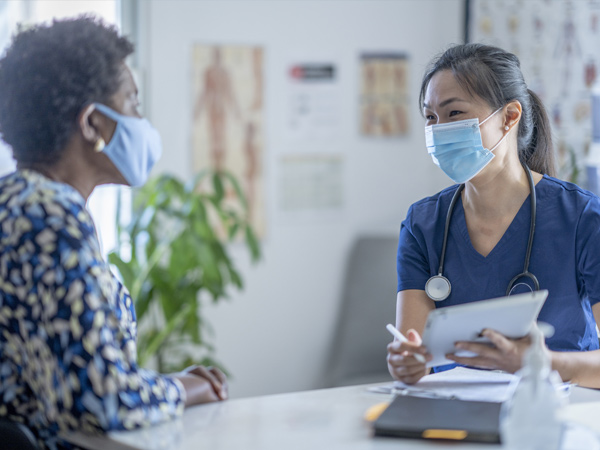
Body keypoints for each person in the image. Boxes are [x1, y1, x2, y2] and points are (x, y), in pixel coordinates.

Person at [0, 16, 227, 449]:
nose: (141, 121)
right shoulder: (52, 217)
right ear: (92, 125)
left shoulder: (15, 201)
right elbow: (103, 402)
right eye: (133, 104)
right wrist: (187, 387)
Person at [387, 43, 600, 388]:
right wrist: (406, 364)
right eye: (430, 117)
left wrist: (541, 362)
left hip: (552, 412)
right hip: (453, 418)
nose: (439, 130)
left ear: (509, 117)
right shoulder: (422, 224)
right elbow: (415, 352)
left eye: (454, 113)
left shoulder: (581, 218)